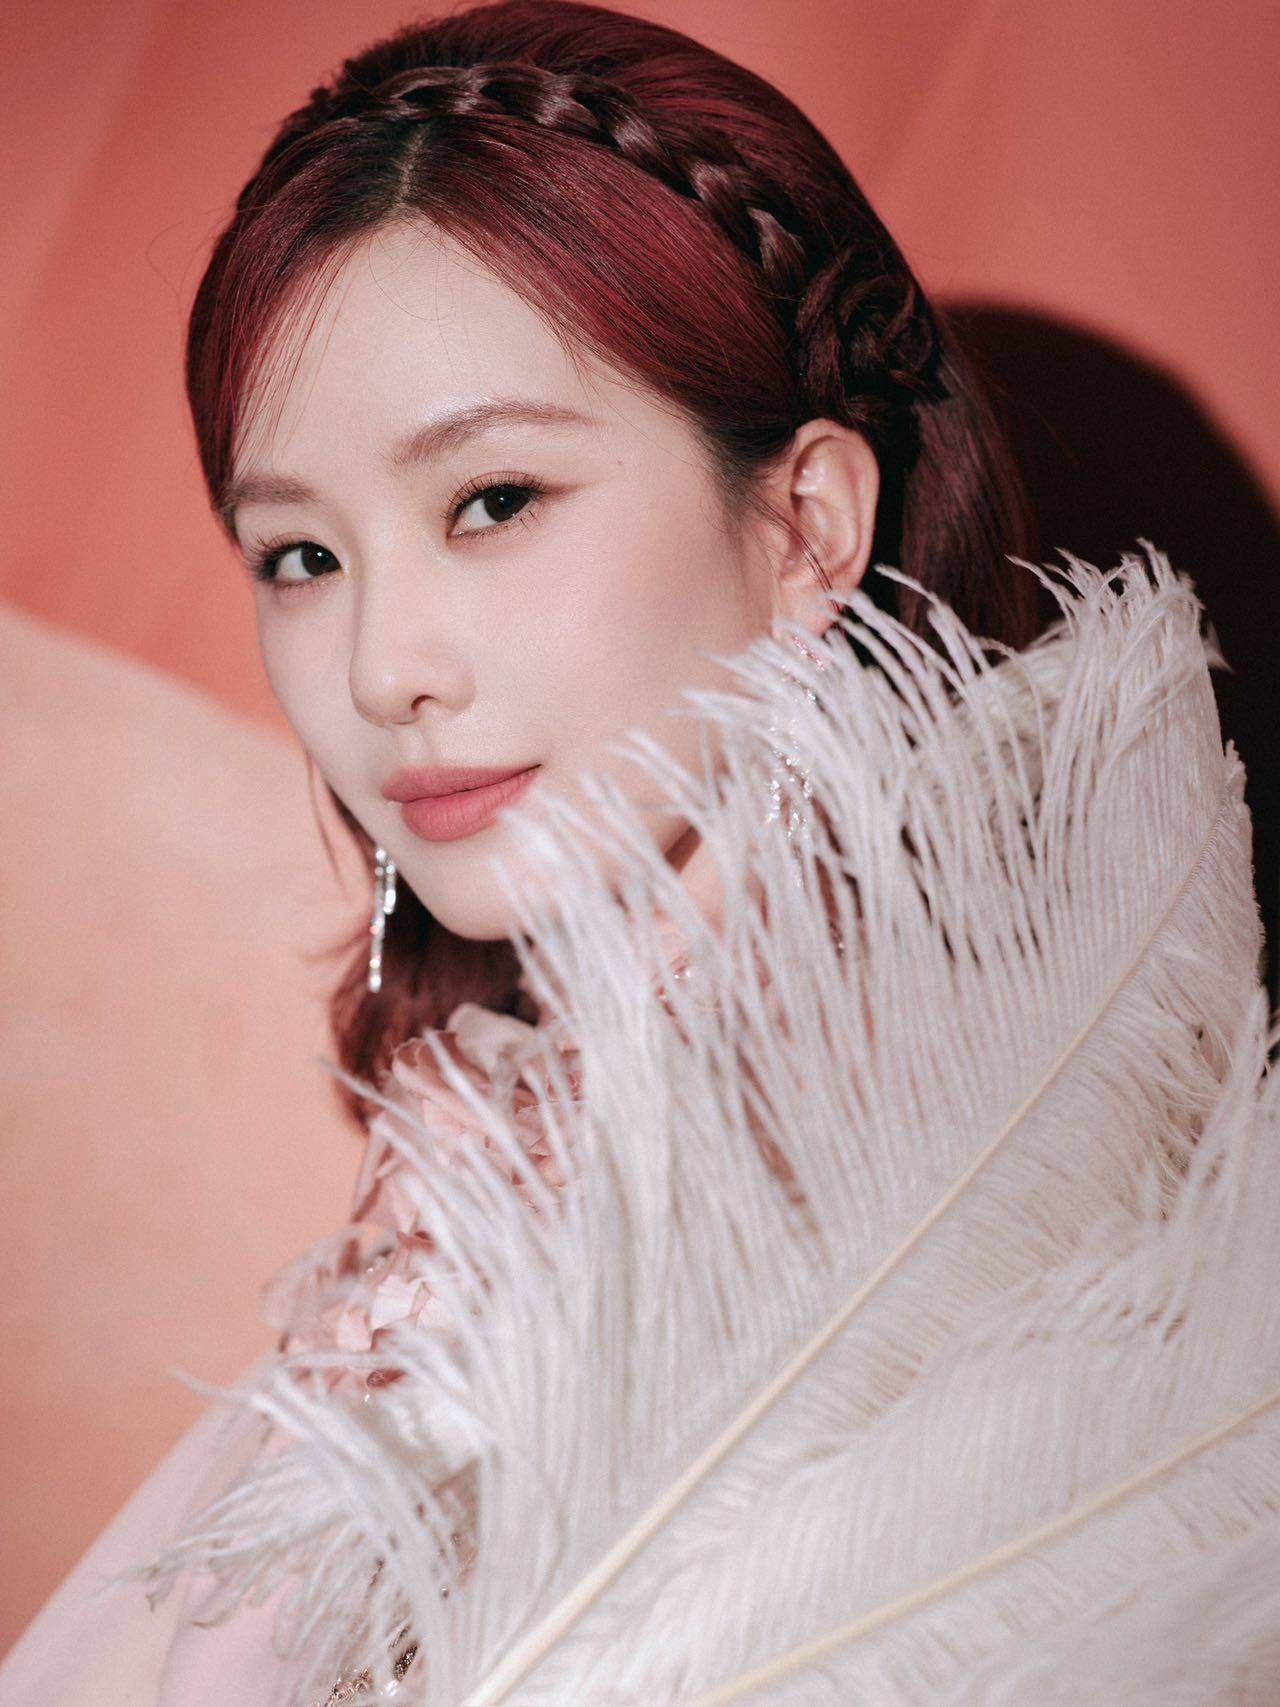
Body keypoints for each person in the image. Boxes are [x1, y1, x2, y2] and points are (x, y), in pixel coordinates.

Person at [4, 2, 1277, 1702]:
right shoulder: (499, 1155)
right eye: (299, 556)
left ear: (806, 525)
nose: (381, 668)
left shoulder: (970, 1199)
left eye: (493, 501)